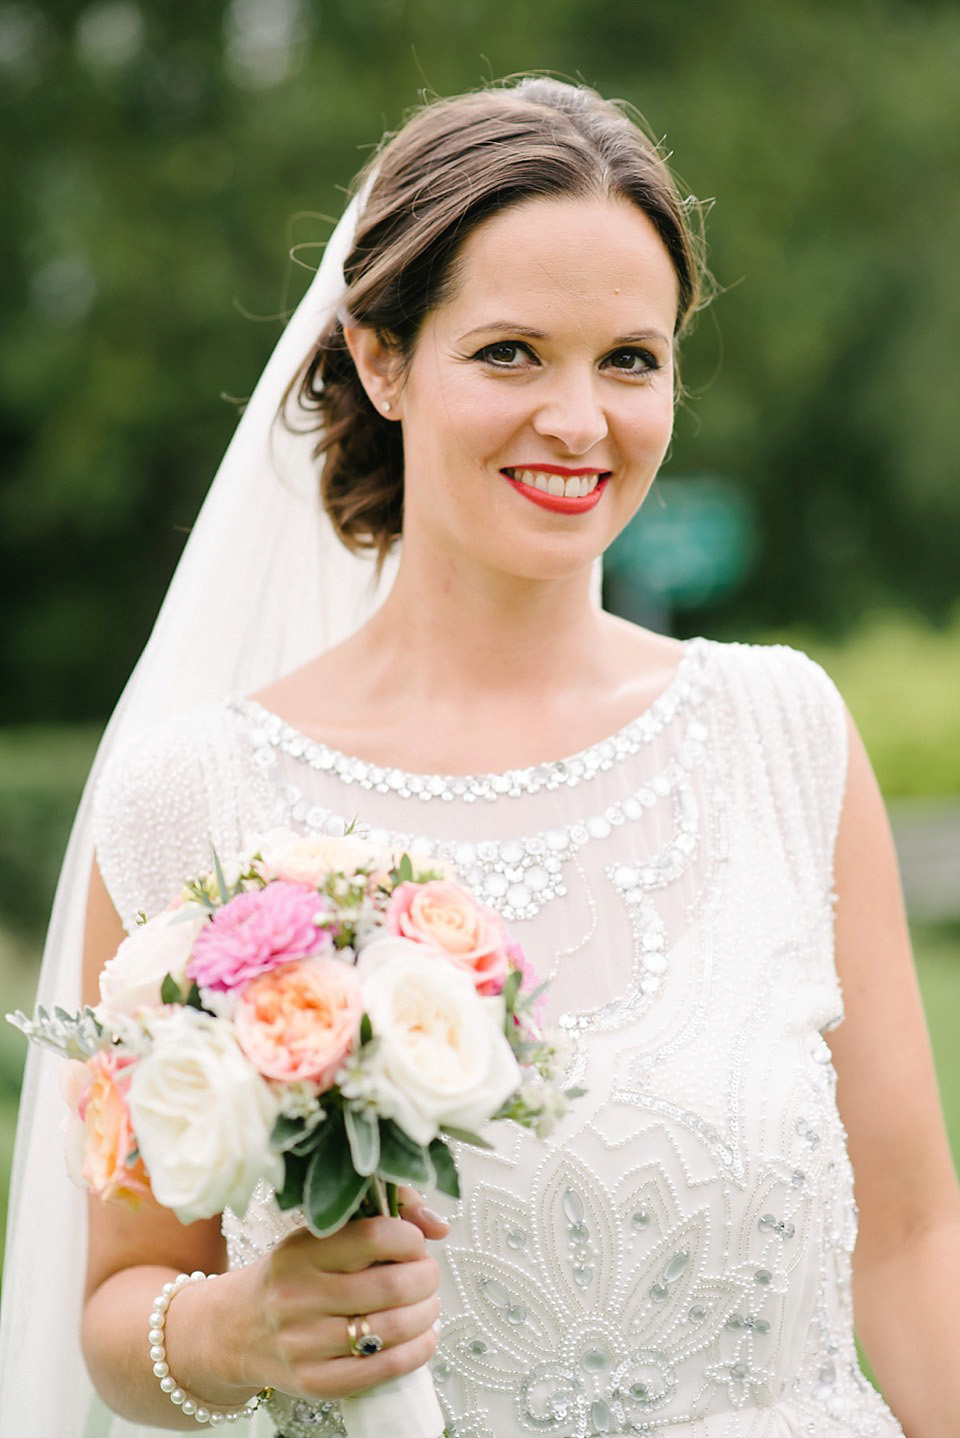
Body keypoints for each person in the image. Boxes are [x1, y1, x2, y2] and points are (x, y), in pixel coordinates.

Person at [2, 75, 958, 1438]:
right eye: (512, 352)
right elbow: (117, 1299)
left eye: (629, 359)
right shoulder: (194, 800)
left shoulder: (784, 736)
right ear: (382, 359)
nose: (580, 420)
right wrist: (238, 1325)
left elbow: (914, 1243)